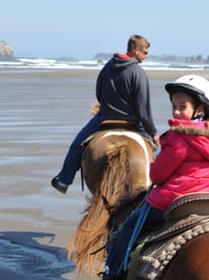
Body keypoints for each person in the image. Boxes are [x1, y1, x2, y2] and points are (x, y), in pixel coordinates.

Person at [96, 74, 209, 280]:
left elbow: (158, 175)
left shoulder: (179, 137)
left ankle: (113, 272)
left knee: (131, 223)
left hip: (179, 197)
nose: (177, 111)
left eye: (182, 106)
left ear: (199, 109)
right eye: (174, 106)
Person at [51, 35, 159, 194]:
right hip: (133, 120)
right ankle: (160, 185)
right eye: (145, 52)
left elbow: (99, 94)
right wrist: (154, 133)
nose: (146, 56)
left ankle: (64, 180)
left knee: (77, 145)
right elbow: (143, 110)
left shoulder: (107, 67)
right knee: (157, 152)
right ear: (136, 51)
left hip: (105, 118)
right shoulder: (138, 72)